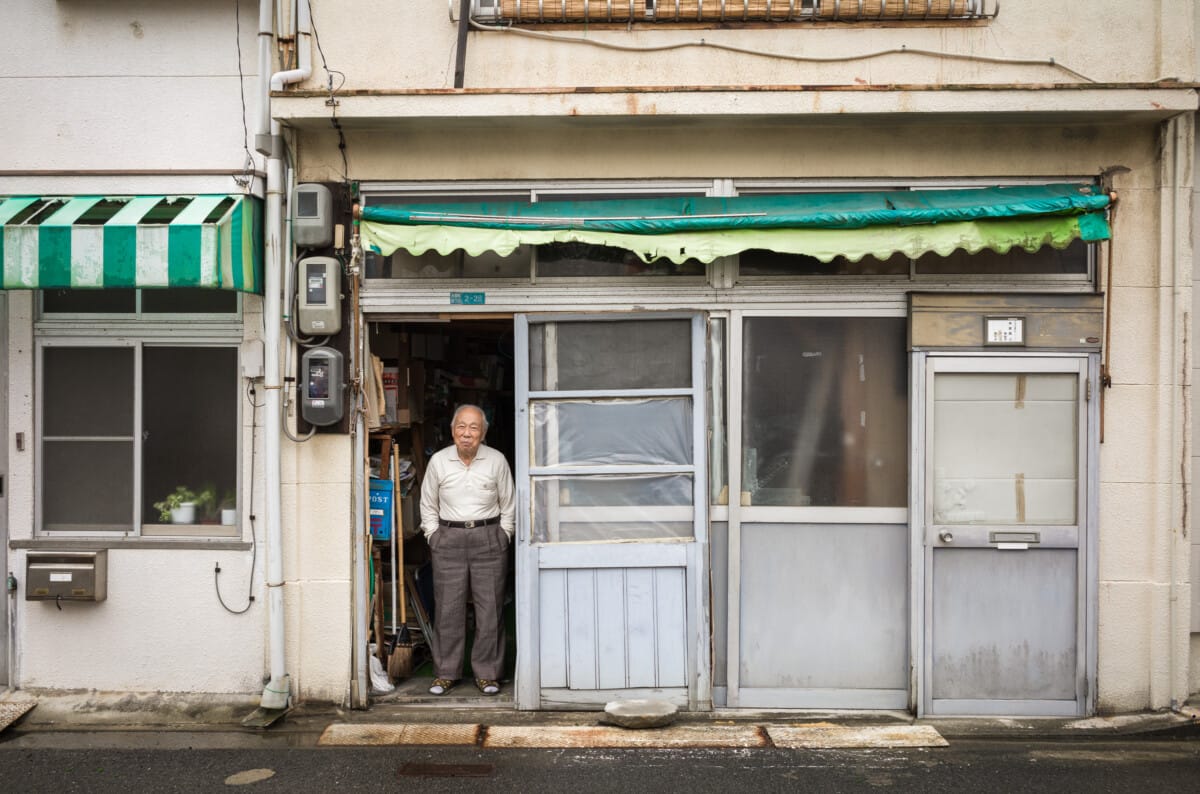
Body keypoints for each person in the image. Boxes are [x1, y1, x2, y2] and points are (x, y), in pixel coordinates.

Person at [419, 404, 515, 696]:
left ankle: (488, 674)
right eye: (461, 427)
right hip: (448, 537)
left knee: (490, 609)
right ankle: (446, 673)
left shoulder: (496, 460)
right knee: (448, 608)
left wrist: (504, 534)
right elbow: (428, 504)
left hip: (488, 536)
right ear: (452, 431)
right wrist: (433, 535)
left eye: (473, 427)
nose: (466, 433)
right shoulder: (438, 461)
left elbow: (508, 503)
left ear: (483, 432)